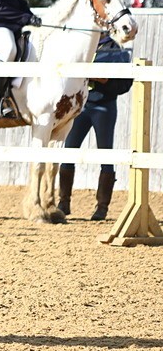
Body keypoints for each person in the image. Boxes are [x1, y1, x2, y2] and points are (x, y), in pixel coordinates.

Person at [58, 33, 132, 220]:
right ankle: (63, 202)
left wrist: (105, 80)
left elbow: (124, 84)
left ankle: (102, 207)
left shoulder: (115, 49)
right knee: (69, 151)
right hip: (80, 106)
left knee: (105, 153)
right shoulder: (82, 44)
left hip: (103, 106)